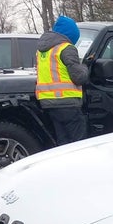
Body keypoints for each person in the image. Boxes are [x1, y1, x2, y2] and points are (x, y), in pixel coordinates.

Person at [35, 16, 89, 145]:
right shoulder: (66, 48)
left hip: (48, 103)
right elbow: (79, 77)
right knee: (79, 144)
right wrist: (85, 67)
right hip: (67, 102)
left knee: (63, 143)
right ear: (70, 35)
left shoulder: (42, 50)